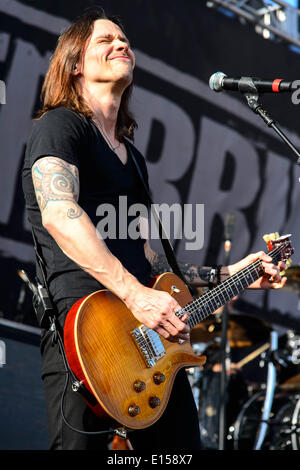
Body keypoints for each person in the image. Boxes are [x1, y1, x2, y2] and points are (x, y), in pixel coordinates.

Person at [22, 8, 286, 451]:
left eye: (124, 39)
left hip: (149, 346)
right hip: (89, 335)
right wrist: (136, 295)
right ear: (75, 63)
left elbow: (156, 264)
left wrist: (234, 274)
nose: (121, 44)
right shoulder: (60, 126)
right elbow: (58, 213)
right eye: (105, 40)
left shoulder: (133, 158)